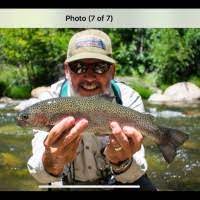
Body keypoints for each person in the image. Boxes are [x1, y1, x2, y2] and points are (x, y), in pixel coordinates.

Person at [27, 29, 157, 191]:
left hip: (115, 184)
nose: (89, 77)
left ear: (112, 71)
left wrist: (121, 162)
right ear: (67, 70)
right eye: (79, 67)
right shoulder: (47, 103)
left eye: (100, 67)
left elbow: (135, 173)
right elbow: (39, 174)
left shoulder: (127, 99)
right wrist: (52, 160)